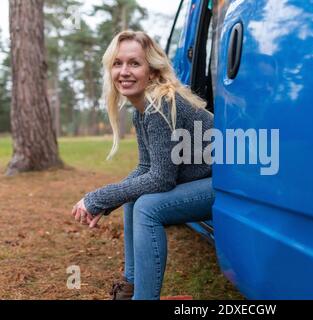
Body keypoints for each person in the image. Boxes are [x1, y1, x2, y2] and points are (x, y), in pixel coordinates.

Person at [71, 30, 214, 300]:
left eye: (134, 63)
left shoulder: (161, 104)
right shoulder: (143, 108)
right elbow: (146, 166)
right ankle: (130, 289)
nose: (124, 71)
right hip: (206, 181)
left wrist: (98, 197)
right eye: (117, 63)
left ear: (152, 71)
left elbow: (161, 179)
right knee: (134, 198)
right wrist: (109, 200)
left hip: (229, 183)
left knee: (147, 206)